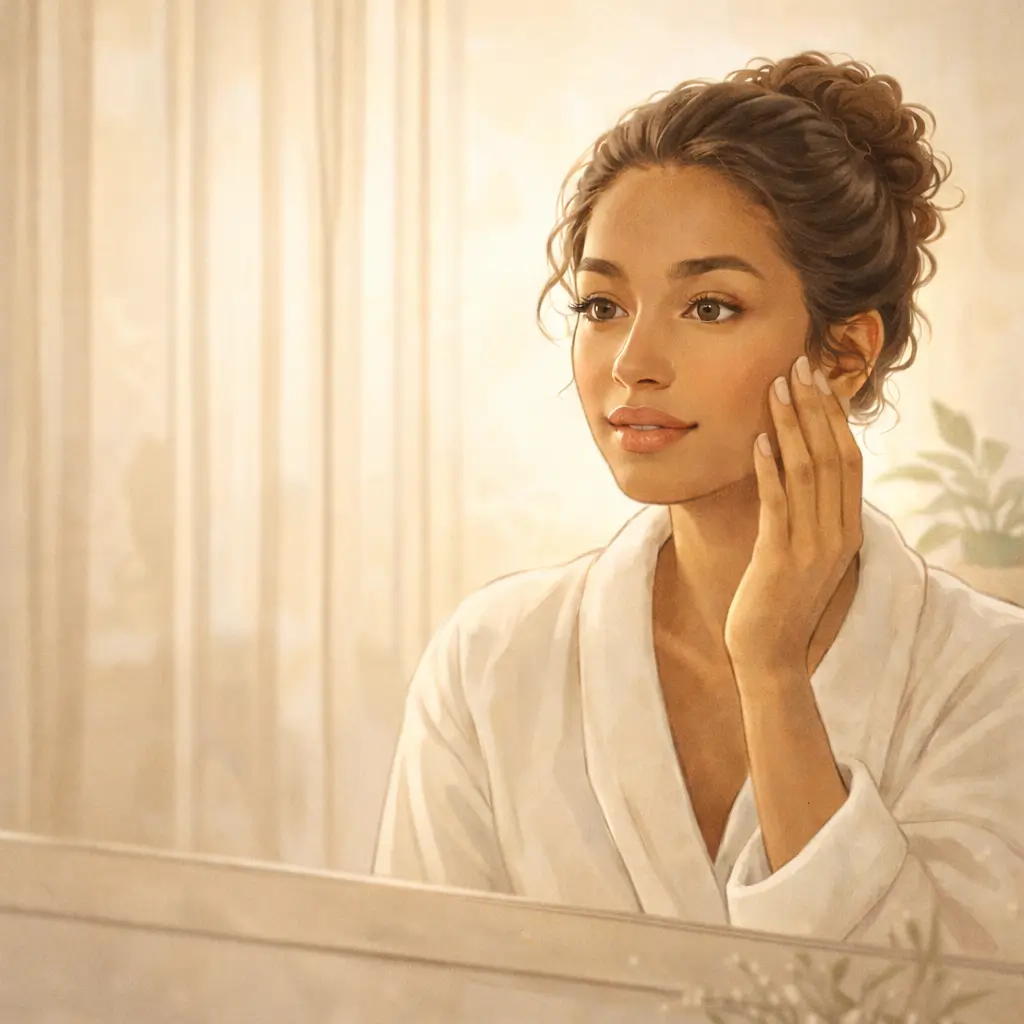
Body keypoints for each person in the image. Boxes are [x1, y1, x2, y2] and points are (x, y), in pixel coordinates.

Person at [372, 51, 1024, 959]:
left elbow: (929, 1005)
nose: (632, 362)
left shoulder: (992, 679)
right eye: (602, 306)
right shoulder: (494, 660)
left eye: (710, 307)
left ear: (844, 353)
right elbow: (412, 992)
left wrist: (773, 670)